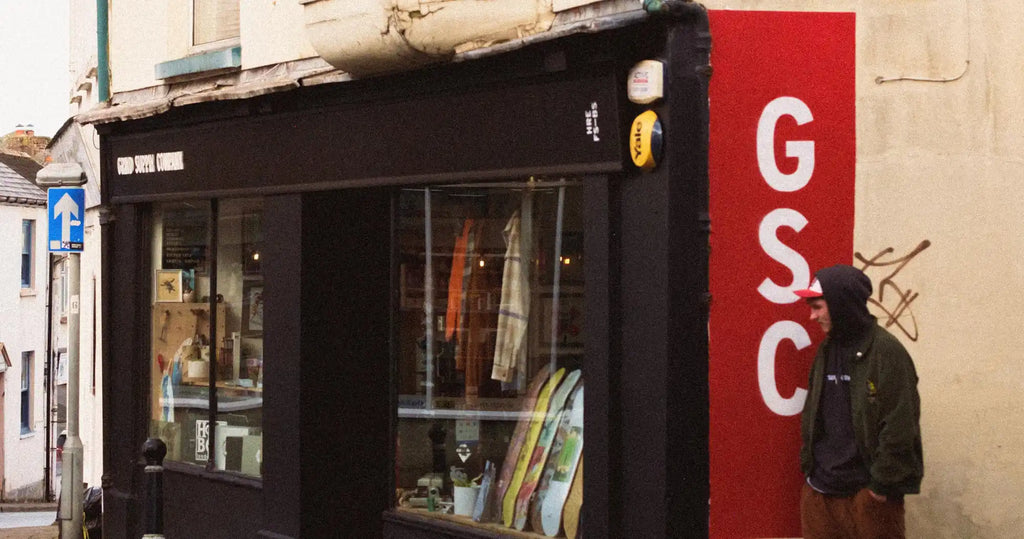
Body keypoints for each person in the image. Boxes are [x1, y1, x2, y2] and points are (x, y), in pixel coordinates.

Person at [794, 264, 923, 539]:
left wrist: (880, 486)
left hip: (867, 498)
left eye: (818, 307)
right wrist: (810, 473)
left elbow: (901, 423)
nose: (811, 316)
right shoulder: (827, 349)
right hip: (820, 493)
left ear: (841, 304)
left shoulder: (886, 352)